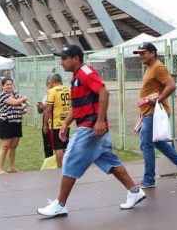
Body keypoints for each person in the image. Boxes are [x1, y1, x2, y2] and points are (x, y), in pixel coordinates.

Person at [38, 45, 145, 217]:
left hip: (90, 128)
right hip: (93, 129)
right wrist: (65, 123)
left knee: (69, 160)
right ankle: (134, 191)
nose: (61, 62)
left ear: (76, 59)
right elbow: (77, 106)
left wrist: (100, 121)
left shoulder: (86, 72)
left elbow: (104, 93)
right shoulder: (76, 78)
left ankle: (60, 204)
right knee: (109, 161)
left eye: (64, 58)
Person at [134, 42, 177, 188]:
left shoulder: (158, 67)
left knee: (146, 145)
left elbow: (171, 86)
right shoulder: (150, 68)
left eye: (143, 53)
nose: (141, 56)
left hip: (153, 113)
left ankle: (149, 180)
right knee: (157, 142)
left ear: (152, 53)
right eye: (139, 53)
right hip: (148, 113)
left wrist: (158, 100)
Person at [0, 77, 27, 174]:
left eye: (11, 84)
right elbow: (16, 102)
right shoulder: (2, 95)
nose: (9, 86)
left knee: (13, 146)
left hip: (17, 122)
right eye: (7, 84)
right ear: (2, 86)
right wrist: (23, 99)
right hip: (6, 123)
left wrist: (22, 110)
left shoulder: (16, 94)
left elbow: (23, 105)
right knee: (5, 146)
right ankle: (0, 169)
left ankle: (12, 167)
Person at [43, 73, 71, 168]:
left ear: (52, 81)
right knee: (65, 145)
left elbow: (48, 110)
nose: (48, 84)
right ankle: (67, 166)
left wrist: (45, 124)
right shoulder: (68, 89)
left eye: (49, 82)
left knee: (58, 147)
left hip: (56, 123)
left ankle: (59, 168)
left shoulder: (52, 91)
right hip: (67, 122)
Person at [37, 77, 53, 160]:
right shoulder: (45, 96)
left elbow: (51, 109)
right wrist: (39, 106)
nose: (48, 87)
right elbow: (40, 111)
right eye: (47, 85)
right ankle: (48, 159)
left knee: (57, 143)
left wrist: (45, 107)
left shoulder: (55, 94)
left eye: (50, 85)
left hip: (53, 118)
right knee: (46, 141)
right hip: (45, 118)